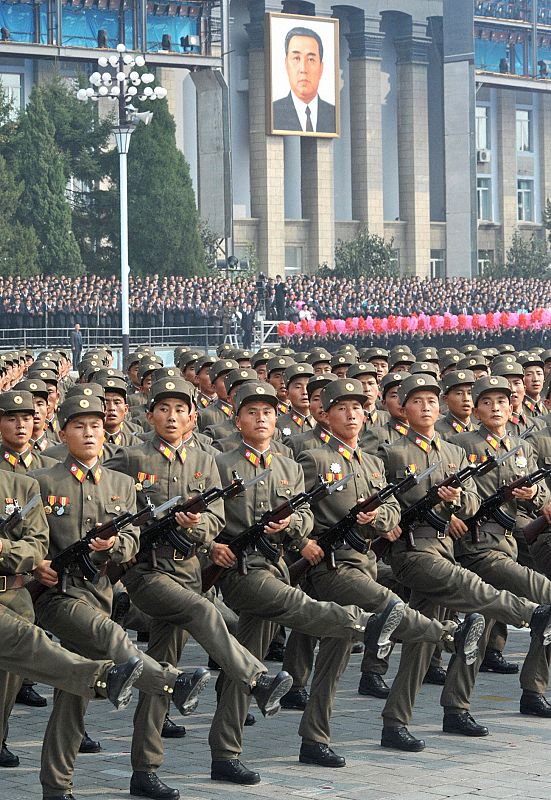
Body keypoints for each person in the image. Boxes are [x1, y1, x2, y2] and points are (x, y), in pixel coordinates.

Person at [272, 26, 336, 134]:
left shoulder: (334, 114)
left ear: (321, 68)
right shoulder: (273, 112)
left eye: (311, 60)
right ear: (286, 65)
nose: (303, 69)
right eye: (296, 58)